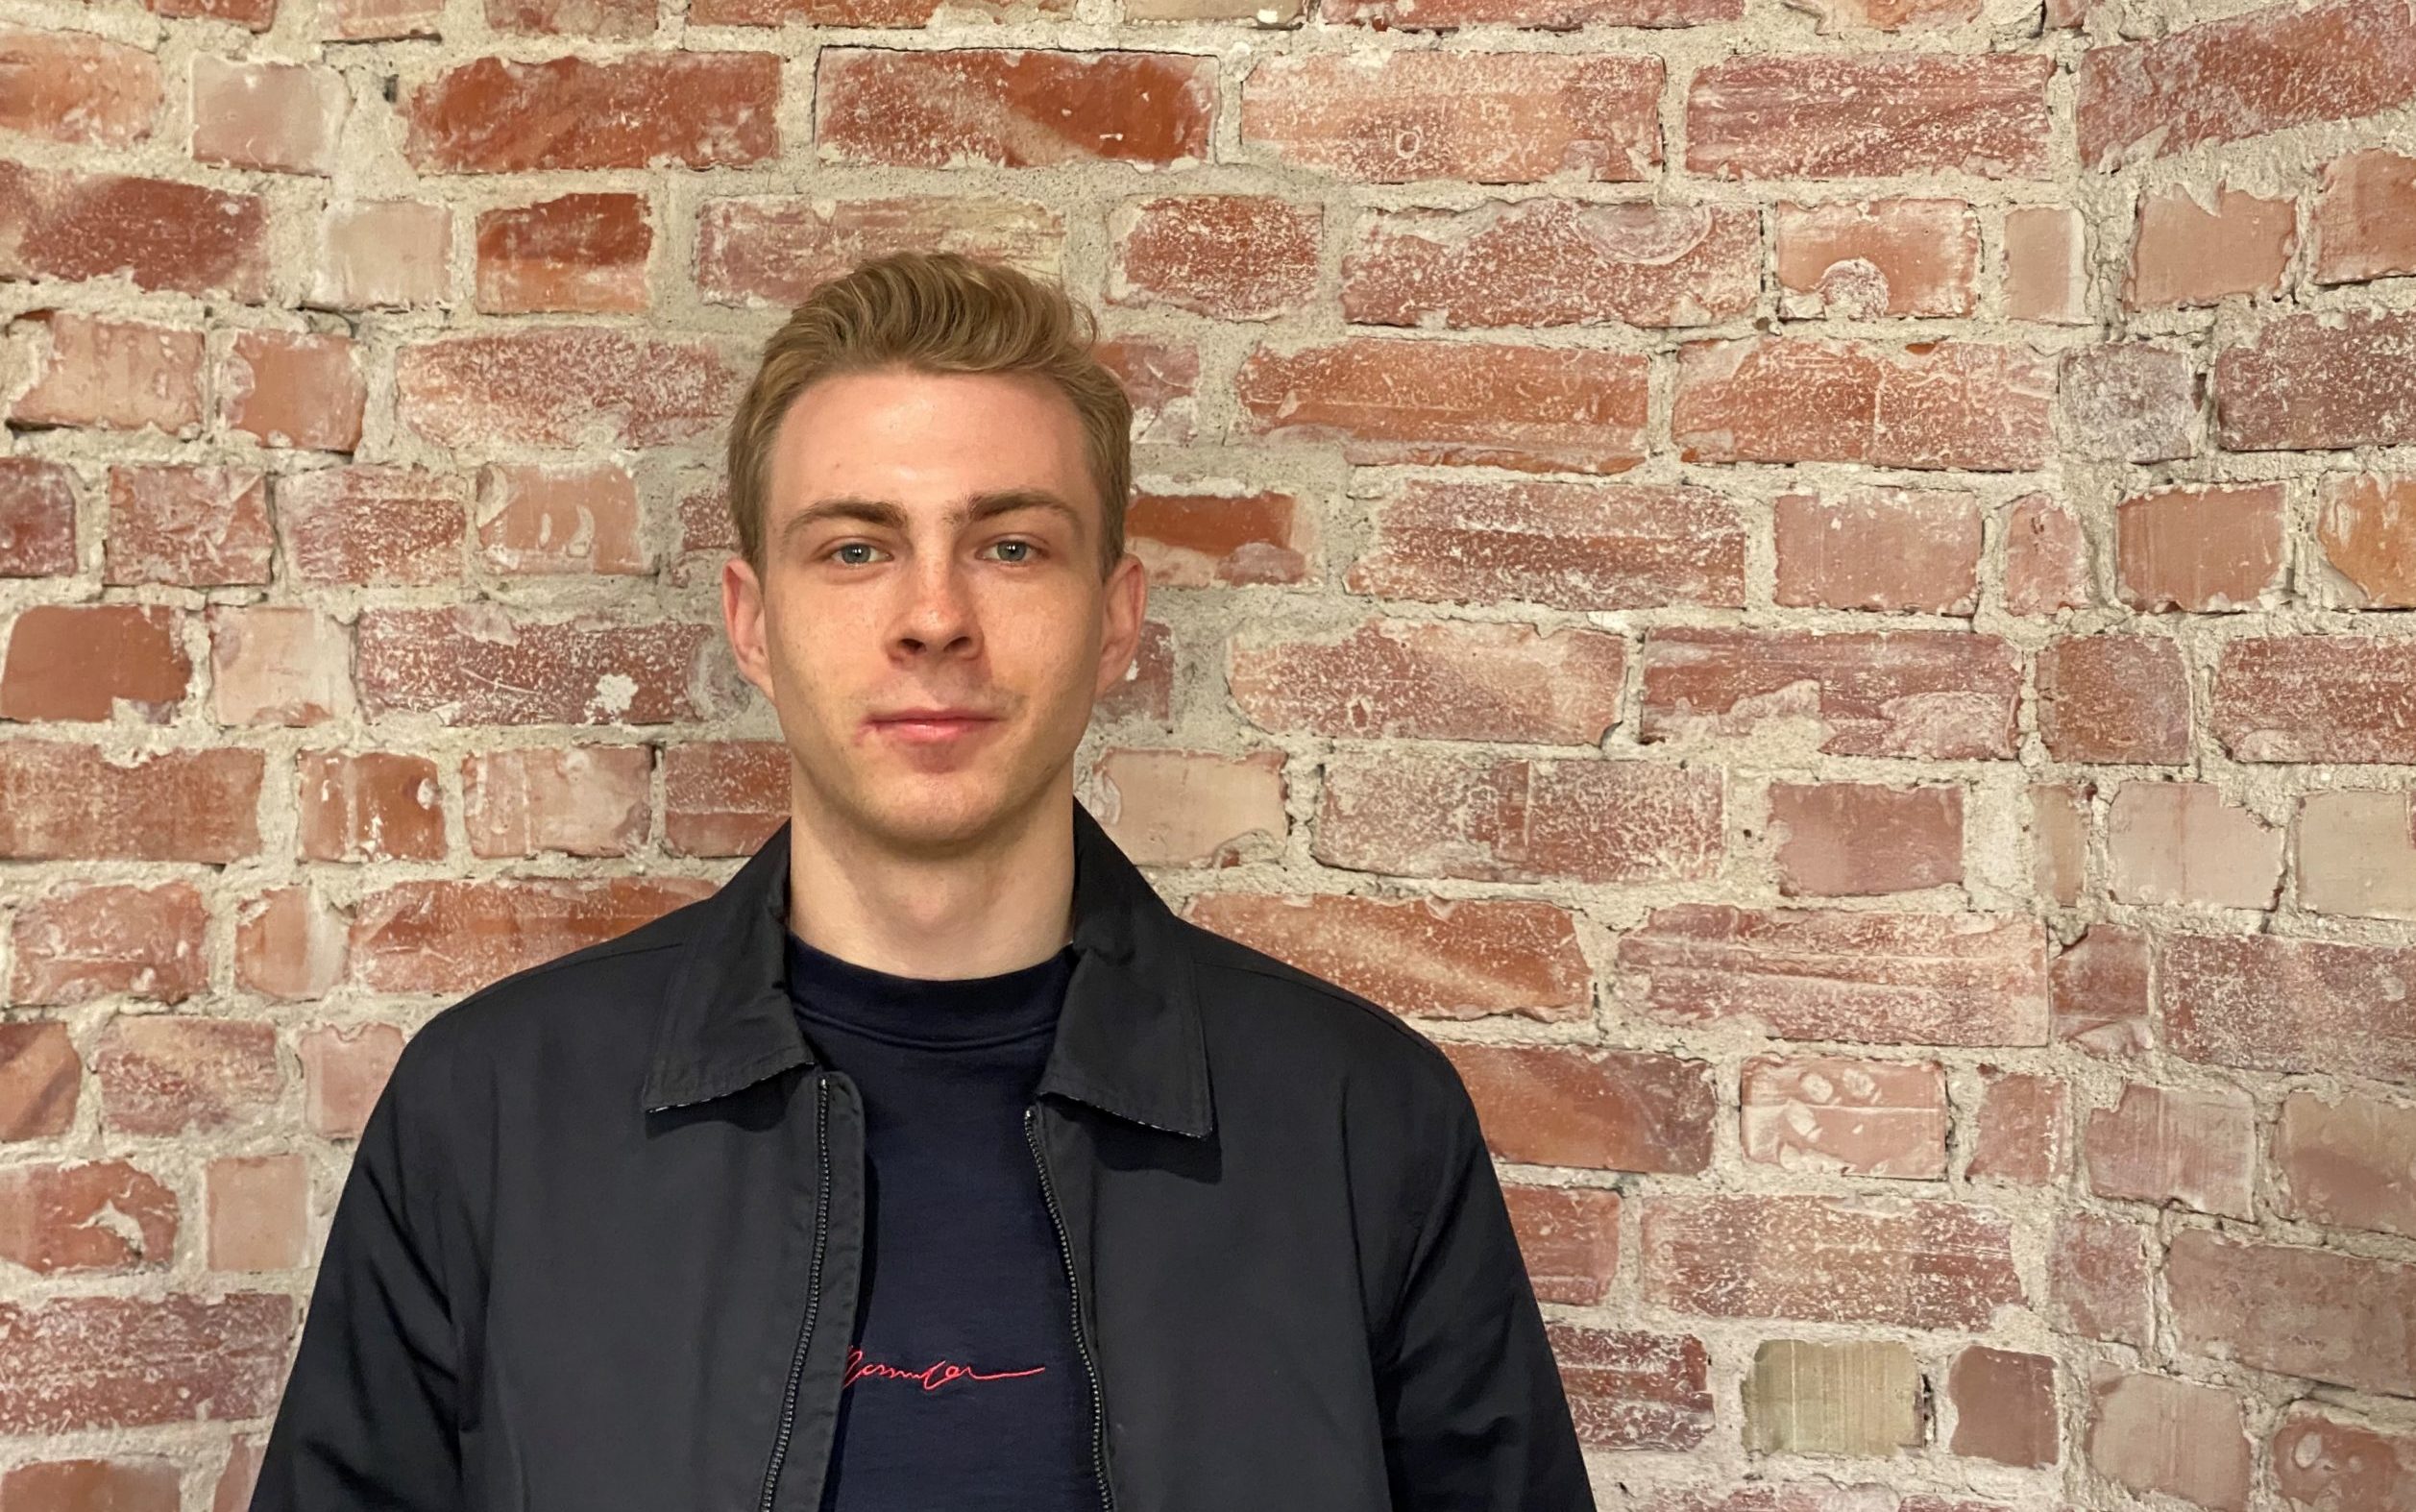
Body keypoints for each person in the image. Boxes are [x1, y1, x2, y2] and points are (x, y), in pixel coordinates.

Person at [245, 250, 1595, 1511]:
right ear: (752, 623)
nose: (935, 616)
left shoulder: (1361, 1127)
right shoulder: (492, 1117)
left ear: (1116, 618)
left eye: (1011, 546)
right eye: (855, 547)